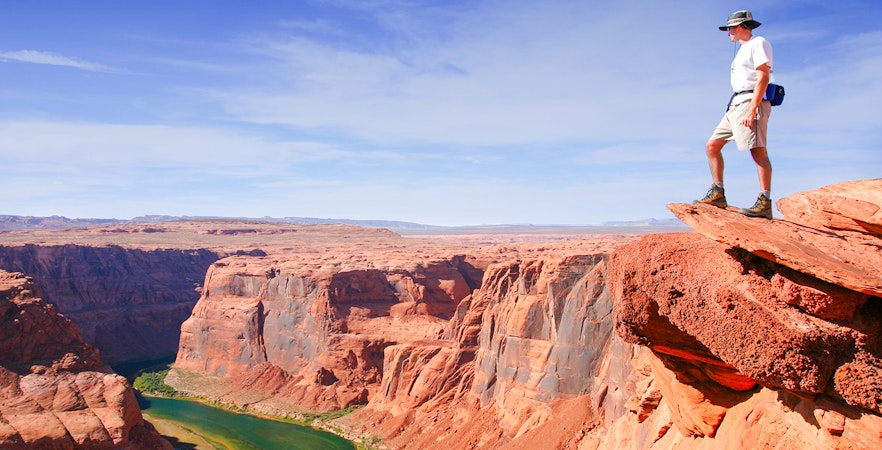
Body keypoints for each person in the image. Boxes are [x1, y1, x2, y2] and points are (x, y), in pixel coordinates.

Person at [695, 10, 775, 219]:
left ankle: (765, 201)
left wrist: (753, 108)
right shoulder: (742, 49)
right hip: (736, 104)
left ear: (739, 27)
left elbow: (763, 77)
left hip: (750, 101)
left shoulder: (759, 43)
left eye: (729, 28)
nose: (728, 32)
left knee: (758, 151)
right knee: (712, 145)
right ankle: (718, 192)